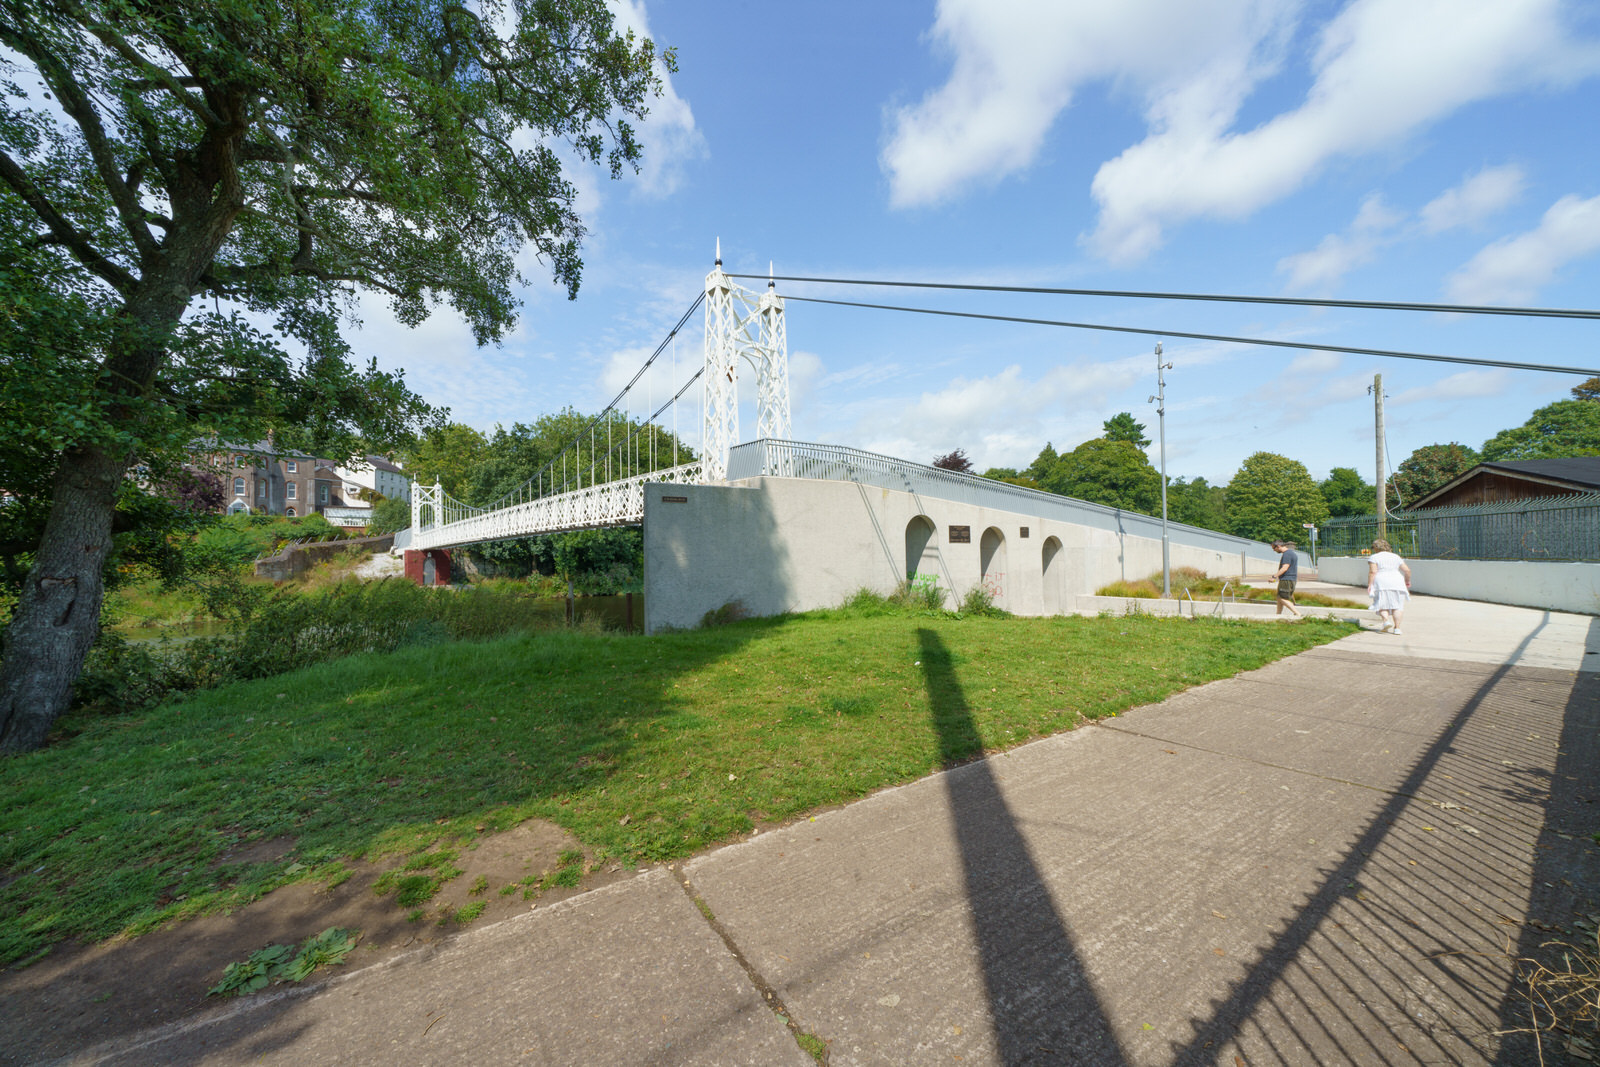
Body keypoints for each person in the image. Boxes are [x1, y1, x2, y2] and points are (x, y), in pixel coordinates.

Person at [1367, 538, 1412, 634]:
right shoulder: (1396, 557)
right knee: (1398, 606)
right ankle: (1397, 628)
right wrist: (1407, 581)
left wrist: (1370, 584)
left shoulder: (1374, 557)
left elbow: (1373, 571)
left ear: (1376, 547)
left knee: (1382, 603)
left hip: (1381, 581)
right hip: (1397, 581)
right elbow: (1407, 570)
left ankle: (1386, 621)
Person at [1270, 540, 1301, 617]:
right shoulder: (1291, 553)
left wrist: (1275, 576)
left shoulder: (1287, 554)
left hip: (1286, 579)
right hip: (1290, 579)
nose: (1274, 550)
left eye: (1274, 548)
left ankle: (1297, 613)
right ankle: (1278, 615)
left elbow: (1285, 568)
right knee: (1279, 597)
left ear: (1278, 546)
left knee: (1282, 598)